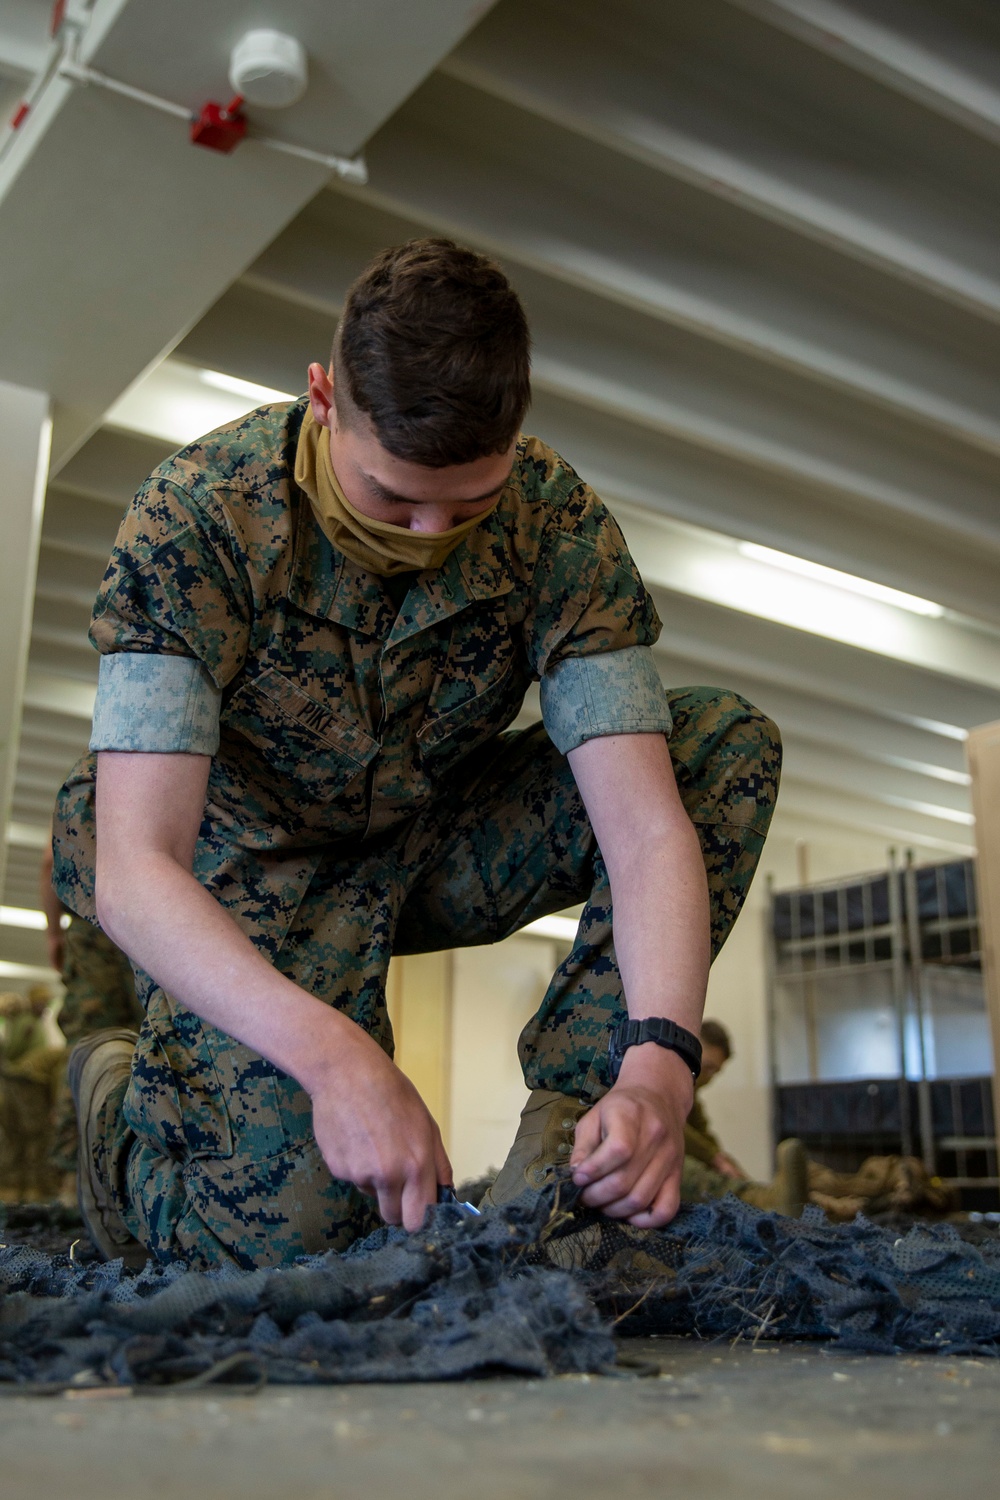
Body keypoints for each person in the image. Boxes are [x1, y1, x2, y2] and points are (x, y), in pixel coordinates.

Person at [53, 238, 781, 1270]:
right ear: (322, 399)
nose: (432, 530)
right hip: (242, 868)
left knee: (719, 746)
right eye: (392, 498)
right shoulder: (196, 519)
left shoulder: (557, 524)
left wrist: (659, 1066)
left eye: (469, 503)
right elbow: (135, 869)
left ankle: (578, 1162)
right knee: (294, 1239)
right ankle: (118, 1111)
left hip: (429, 839)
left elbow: (647, 826)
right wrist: (335, 1059)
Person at [38, 834, 143, 1179]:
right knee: (155, 1046)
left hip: (93, 930)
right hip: (155, 927)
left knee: (88, 1050)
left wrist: (54, 933)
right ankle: (143, 1175)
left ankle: (77, 1177)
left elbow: (49, 863)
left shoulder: (87, 785)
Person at [0, 988, 63, 1202]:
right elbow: (13, 1050)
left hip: (22, 1079)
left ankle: (17, 1189)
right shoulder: (27, 1021)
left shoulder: (32, 1021)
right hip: (26, 1080)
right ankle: (32, 1189)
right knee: (34, 1135)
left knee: (18, 1136)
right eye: (42, 1001)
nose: (44, 1005)